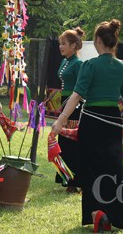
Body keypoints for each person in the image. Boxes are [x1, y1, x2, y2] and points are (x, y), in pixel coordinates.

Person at [51, 19, 123, 232]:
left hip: (91, 119)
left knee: (90, 166)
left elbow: (76, 95)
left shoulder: (90, 65)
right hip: (112, 121)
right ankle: (110, 214)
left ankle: (96, 212)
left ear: (98, 41)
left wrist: (60, 120)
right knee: (112, 168)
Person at [55, 26, 85, 193]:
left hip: (74, 106)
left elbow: (80, 89)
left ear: (74, 46)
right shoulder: (65, 61)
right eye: (60, 43)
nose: (61, 46)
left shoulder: (79, 63)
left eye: (64, 43)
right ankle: (66, 178)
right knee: (63, 143)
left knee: (71, 143)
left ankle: (76, 181)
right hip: (64, 102)